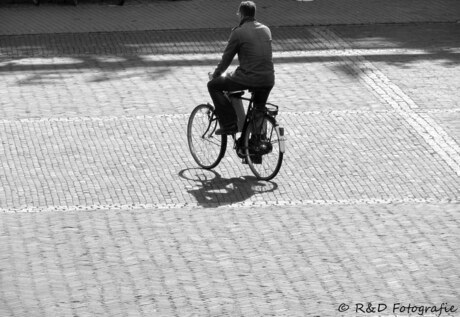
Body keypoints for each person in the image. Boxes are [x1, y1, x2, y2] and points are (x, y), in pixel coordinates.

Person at [208, 1, 275, 135]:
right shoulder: (266, 30)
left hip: (249, 77)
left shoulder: (238, 33)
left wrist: (215, 75)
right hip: (268, 78)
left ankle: (229, 124)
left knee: (213, 86)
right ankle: (255, 150)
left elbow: (226, 59)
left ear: (242, 15)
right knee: (258, 110)